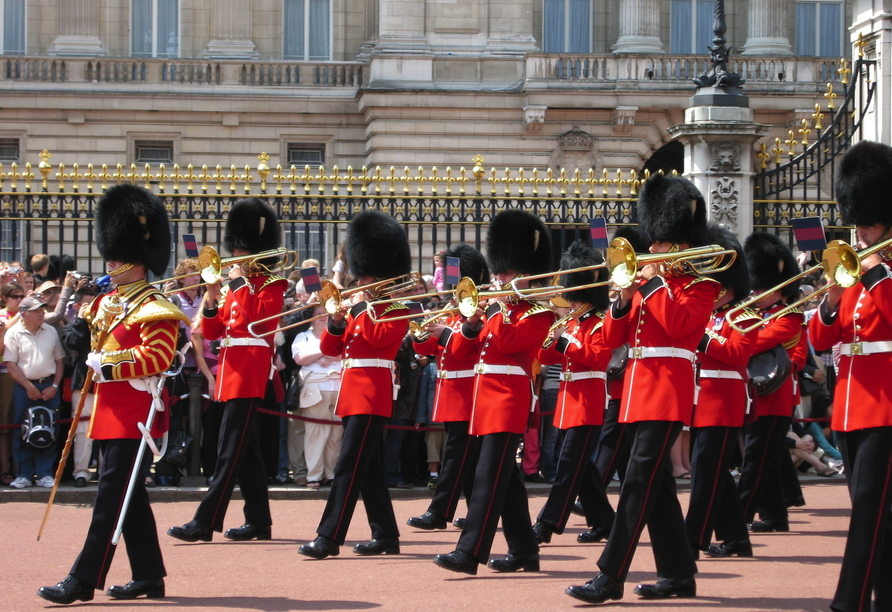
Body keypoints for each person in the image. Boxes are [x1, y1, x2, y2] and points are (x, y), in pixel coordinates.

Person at [567, 173, 719, 603]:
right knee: (658, 488)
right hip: (636, 392)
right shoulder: (647, 286)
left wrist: (651, 283)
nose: (650, 249)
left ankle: (609, 575)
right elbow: (610, 341)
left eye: (659, 242)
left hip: (668, 392)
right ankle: (678, 574)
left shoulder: (700, 285)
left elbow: (680, 326)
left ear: (681, 243)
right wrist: (619, 300)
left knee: (636, 483)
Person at [37, 183, 189, 604]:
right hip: (110, 409)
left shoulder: (156, 305)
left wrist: (108, 363)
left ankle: (84, 578)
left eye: (117, 256)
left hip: (135, 412)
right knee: (129, 496)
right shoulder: (108, 302)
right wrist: (82, 328)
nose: (110, 261)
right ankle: (149, 576)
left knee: (109, 497)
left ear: (138, 262)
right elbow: (76, 341)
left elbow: (158, 356)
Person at [433, 209, 554, 576]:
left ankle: (469, 553)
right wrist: (469, 325)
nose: (498, 278)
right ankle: (524, 551)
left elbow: (510, 341)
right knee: (508, 483)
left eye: (505, 273)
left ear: (525, 275)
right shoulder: (494, 312)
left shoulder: (538, 314)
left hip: (508, 402)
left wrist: (494, 310)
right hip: (485, 403)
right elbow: (460, 352)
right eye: (498, 272)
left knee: (487, 478)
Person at [168, 197, 286, 543]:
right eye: (234, 249)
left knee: (228, 450)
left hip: (249, 372)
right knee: (244, 451)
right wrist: (213, 295)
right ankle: (259, 522)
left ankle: (205, 521)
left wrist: (235, 286)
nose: (235, 256)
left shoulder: (271, 285)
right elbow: (217, 331)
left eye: (240, 250)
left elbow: (259, 325)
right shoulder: (235, 287)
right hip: (229, 371)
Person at [298, 210, 412, 560]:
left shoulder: (395, 308)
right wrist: (334, 320)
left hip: (372, 392)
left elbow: (379, 340)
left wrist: (361, 308)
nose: (359, 281)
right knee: (370, 468)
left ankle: (329, 537)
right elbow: (331, 349)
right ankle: (386, 535)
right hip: (352, 391)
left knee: (348, 465)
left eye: (365, 277)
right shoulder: (355, 308)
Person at [810, 140, 892, 612]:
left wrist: (877, 272)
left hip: (885, 406)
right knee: (879, 517)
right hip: (851, 405)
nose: (859, 233)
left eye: (868, 223)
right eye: (857, 223)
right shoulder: (857, 277)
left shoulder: (881, 272)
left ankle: (849, 603)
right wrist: (829, 300)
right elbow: (823, 341)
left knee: (866, 516)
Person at [684, 224, 759, 559]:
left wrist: (700, 337)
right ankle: (736, 539)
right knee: (716, 473)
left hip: (725, 402)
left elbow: (737, 355)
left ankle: (692, 539)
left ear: (729, 289)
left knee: (705, 470)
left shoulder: (744, 315)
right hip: (703, 400)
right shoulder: (712, 314)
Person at [532, 240, 614, 545]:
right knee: (584, 468)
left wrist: (566, 341)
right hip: (569, 402)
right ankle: (606, 520)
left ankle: (547, 523)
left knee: (568, 466)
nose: (572, 303)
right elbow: (550, 359)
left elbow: (597, 358)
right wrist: (551, 340)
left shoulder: (600, 323)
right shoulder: (575, 324)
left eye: (577, 297)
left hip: (588, 402)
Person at [406, 243, 489, 531]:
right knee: (468, 459)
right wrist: (420, 334)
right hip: (451, 391)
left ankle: (439, 512)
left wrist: (445, 333)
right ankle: (479, 512)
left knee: (456, 456)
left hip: (468, 392)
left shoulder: (478, 313)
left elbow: (465, 349)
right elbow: (429, 347)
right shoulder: (452, 311)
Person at [736, 232, 803, 534]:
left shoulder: (789, 318)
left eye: (763, 287)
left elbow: (754, 344)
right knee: (770, 461)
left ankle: (737, 519)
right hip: (754, 396)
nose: (757, 292)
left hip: (775, 399)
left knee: (755, 461)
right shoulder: (758, 313)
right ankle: (776, 515)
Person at [4, 295, 65, 488]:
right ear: (23, 313)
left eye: (42, 310)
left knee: (50, 429)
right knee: (21, 430)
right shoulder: (13, 333)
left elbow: (59, 361)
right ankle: (24, 474)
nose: (42, 313)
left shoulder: (51, 331)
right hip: (24, 388)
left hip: (49, 385)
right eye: (37, 310)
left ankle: (45, 473)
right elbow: (11, 365)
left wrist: (54, 386)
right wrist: (28, 386)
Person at [292, 303, 342, 487]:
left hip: (339, 386)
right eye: (319, 313)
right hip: (315, 387)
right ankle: (314, 475)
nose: (323, 316)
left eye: (326, 313)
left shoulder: (340, 334)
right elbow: (300, 359)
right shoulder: (302, 336)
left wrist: (326, 356)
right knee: (315, 433)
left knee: (336, 435)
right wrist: (326, 351)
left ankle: (331, 474)